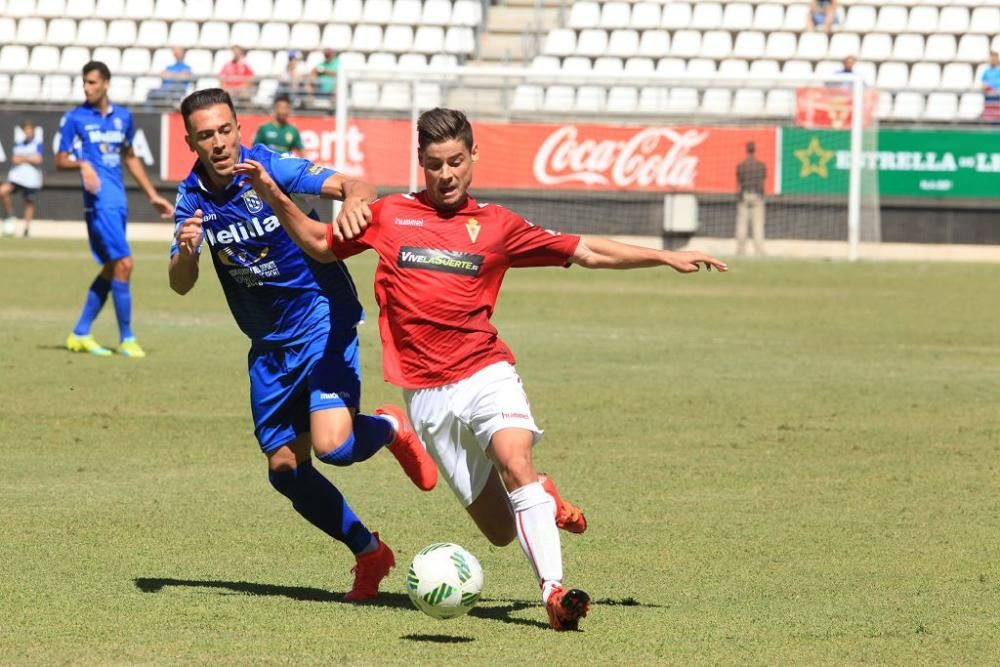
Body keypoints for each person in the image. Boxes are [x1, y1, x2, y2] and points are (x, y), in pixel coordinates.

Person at [235, 107, 728, 631]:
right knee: (497, 528)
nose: (446, 175)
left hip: (485, 370)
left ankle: (555, 594)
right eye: (433, 165)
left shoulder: (498, 226)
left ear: (473, 156)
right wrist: (271, 191)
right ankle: (542, 491)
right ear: (420, 164)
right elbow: (317, 244)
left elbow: (584, 250)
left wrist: (662, 255)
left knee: (514, 458)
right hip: (426, 397)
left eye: (455, 162)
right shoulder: (389, 214)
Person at [169, 88, 438, 601]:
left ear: (239, 129)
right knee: (286, 470)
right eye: (206, 135)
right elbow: (181, 282)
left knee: (334, 445)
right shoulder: (190, 198)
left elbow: (356, 182)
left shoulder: (270, 167)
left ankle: (388, 427)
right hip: (269, 346)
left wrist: (357, 201)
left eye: (226, 130)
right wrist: (186, 253)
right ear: (191, 141)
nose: (219, 143)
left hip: (322, 320)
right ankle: (369, 552)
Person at [57, 61, 174, 357]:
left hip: (118, 201)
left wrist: (152, 195)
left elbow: (130, 157)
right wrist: (81, 163)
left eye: (92, 82)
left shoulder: (123, 117)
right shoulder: (75, 118)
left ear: (106, 83)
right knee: (124, 264)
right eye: (84, 82)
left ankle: (81, 332)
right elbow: (59, 159)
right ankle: (127, 338)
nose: (87, 87)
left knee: (112, 267)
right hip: (99, 203)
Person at [1, 120, 43, 238]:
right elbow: (15, 159)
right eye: (26, 130)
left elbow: (38, 159)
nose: (28, 132)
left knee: (28, 203)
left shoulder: (37, 144)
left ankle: (26, 229)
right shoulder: (18, 144)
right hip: (17, 177)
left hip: (31, 180)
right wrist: (29, 158)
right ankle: (10, 216)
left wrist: (23, 158)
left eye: (30, 129)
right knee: (3, 191)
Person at [735, 142, 767, 257]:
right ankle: (758, 250)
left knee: (742, 224)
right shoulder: (760, 165)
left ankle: (740, 250)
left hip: (744, 195)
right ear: (755, 150)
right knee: (758, 224)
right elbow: (763, 179)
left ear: (746, 150)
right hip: (757, 195)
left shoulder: (741, 165)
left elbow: (738, 180)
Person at [981, 52, 1000, 123]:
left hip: (998, 97)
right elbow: (983, 82)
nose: (993, 60)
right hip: (989, 97)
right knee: (989, 117)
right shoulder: (986, 71)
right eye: (991, 58)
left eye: (994, 58)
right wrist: (985, 87)